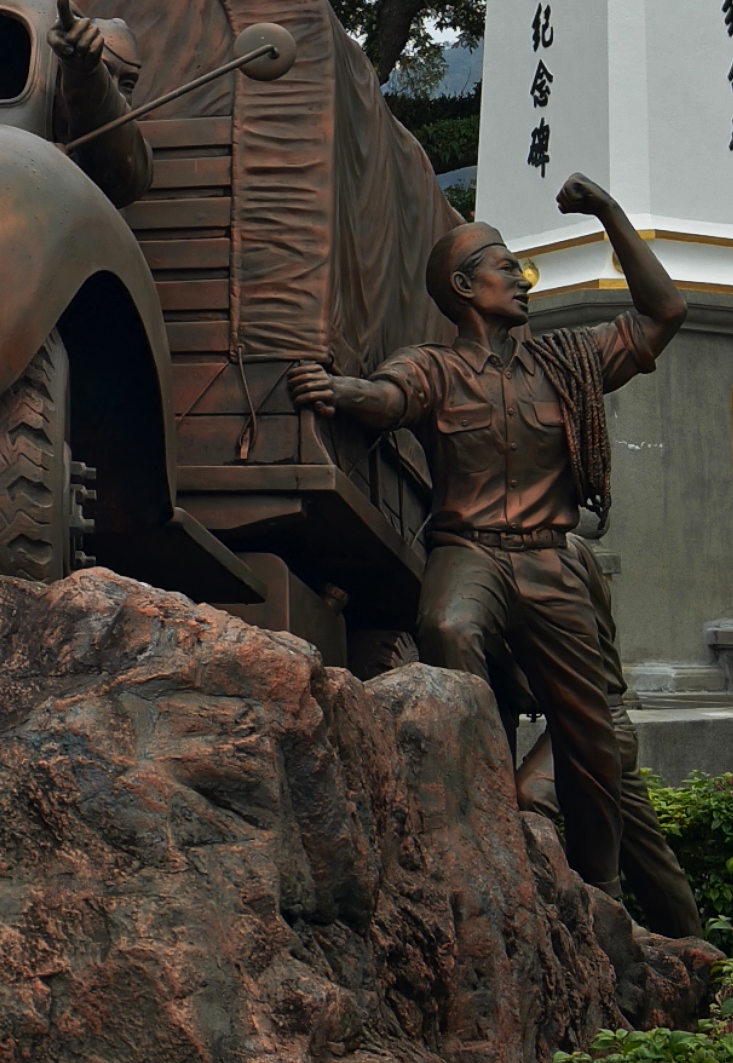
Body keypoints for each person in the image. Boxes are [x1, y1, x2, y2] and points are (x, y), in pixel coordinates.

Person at [284, 173, 684, 901]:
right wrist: (341, 391)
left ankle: (602, 892)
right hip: (468, 551)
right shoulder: (435, 366)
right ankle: (475, 814)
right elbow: (388, 396)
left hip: (549, 559)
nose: (524, 279)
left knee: (592, 735)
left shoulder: (567, 363)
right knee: (447, 622)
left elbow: (666, 310)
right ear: (466, 286)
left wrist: (610, 214)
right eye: (508, 268)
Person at [510, 533, 704, 941]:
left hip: (601, 718)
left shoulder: (562, 553)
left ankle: (680, 951)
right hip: (586, 719)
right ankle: (692, 945)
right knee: (648, 857)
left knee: (532, 795)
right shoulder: (539, 554)